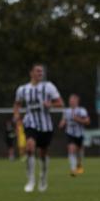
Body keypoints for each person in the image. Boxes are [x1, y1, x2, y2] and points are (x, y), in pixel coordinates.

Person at [13, 64, 64, 192]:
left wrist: (50, 104)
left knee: (43, 153)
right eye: (37, 71)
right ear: (31, 73)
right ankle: (30, 180)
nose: (40, 73)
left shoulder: (49, 87)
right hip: (30, 123)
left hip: (46, 125)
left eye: (41, 71)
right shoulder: (23, 89)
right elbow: (17, 104)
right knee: (30, 147)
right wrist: (16, 115)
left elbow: (60, 103)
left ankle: (43, 176)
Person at [60, 94, 90, 176]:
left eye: (73, 100)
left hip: (79, 134)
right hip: (70, 133)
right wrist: (62, 124)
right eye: (70, 100)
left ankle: (79, 165)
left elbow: (87, 121)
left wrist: (78, 119)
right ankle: (73, 169)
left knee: (79, 152)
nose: (71, 102)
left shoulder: (82, 110)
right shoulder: (66, 111)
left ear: (77, 101)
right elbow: (63, 120)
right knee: (71, 149)